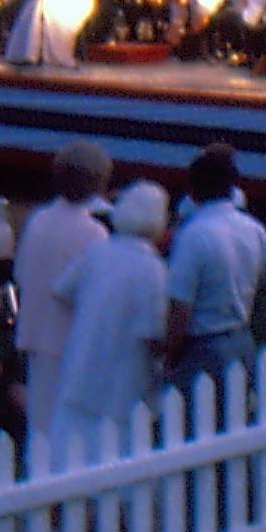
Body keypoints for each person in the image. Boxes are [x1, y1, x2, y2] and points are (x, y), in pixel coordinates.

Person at [160, 144, 266, 404]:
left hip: (201, 347)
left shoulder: (191, 237)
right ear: (232, 188)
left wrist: (169, 356)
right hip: (242, 341)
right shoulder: (253, 229)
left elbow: (180, 308)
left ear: (192, 192)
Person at [48, 181, 173, 462]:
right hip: (123, 381)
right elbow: (154, 334)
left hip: (81, 365)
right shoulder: (154, 270)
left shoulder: (97, 252)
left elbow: (62, 291)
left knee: (68, 453)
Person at [12, 141, 112, 440]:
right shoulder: (95, 233)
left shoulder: (38, 220)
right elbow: (98, 294)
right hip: (72, 340)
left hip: (36, 331)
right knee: (71, 429)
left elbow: (19, 273)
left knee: (41, 424)